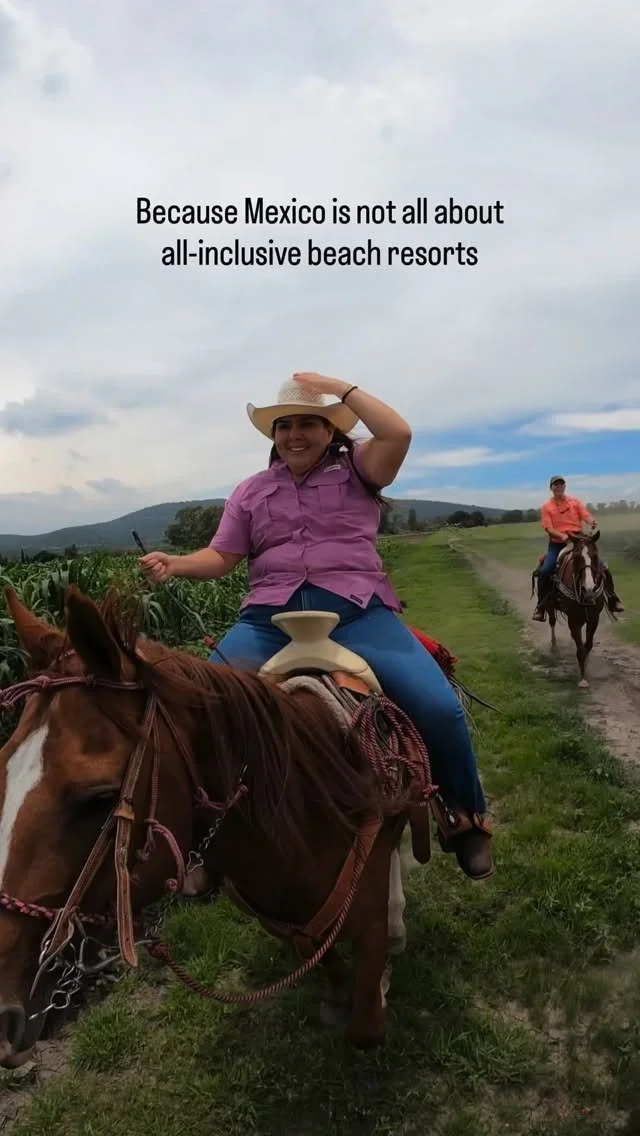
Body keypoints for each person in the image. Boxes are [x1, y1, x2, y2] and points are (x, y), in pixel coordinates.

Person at [140, 373, 494, 880]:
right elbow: (222, 556)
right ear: (273, 435)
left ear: (330, 431)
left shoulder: (361, 470)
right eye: (285, 426)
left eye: (309, 423)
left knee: (438, 708)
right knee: (200, 710)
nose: (295, 435)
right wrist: (175, 563)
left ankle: (465, 817)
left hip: (357, 614)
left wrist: (339, 388)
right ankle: (200, 836)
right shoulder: (251, 492)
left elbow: (398, 433)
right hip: (269, 620)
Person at [532, 475, 624, 621]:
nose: (559, 487)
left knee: (603, 566)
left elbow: (585, 515)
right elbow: (548, 528)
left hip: (579, 539)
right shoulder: (547, 507)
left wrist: (591, 521)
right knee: (546, 570)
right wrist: (563, 536)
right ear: (551, 488)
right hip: (558, 543)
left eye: (561, 484)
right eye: (556, 485)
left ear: (564, 487)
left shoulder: (575, 502)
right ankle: (541, 607)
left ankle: (613, 598)